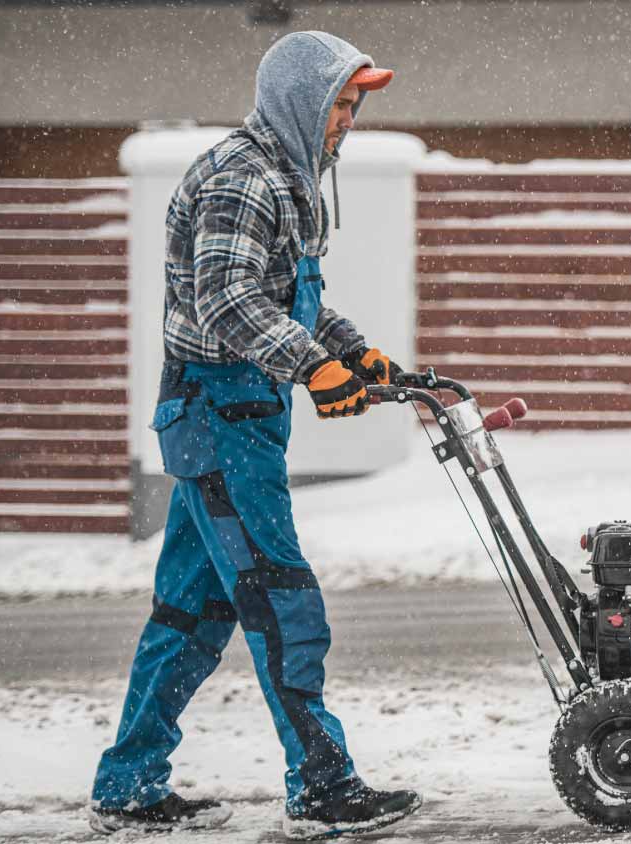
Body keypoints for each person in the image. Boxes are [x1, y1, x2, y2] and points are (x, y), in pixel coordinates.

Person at [88, 31, 419, 840]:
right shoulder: (244, 179)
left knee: (189, 613)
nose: (347, 120)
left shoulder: (289, 178)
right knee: (282, 600)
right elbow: (227, 303)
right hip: (221, 416)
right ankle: (324, 783)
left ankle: (129, 783)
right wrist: (313, 368)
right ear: (301, 102)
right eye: (338, 104)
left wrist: (348, 348)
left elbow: (289, 294)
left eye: (353, 106)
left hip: (234, 418)